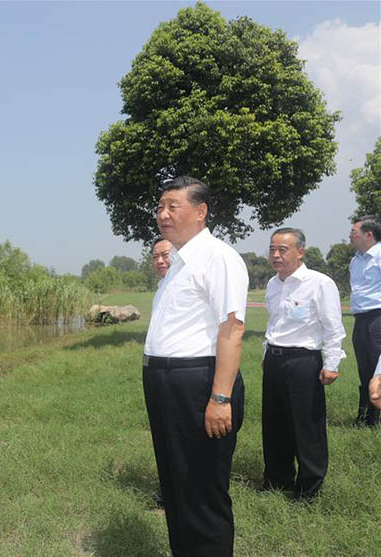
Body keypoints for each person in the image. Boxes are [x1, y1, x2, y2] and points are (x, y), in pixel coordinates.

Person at [143, 176, 248, 557]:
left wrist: (220, 397)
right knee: (176, 482)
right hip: (164, 381)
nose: (163, 214)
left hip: (199, 381)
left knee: (202, 487)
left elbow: (232, 329)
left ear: (201, 212)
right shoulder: (176, 263)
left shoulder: (218, 257)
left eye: (173, 206)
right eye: (160, 207)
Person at [261, 228, 345, 500]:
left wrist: (332, 363)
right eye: (272, 249)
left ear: (300, 251)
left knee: (306, 426)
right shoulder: (273, 284)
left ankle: (309, 488)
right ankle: (277, 480)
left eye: (282, 250)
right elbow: (273, 323)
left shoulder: (319, 283)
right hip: (274, 360)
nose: (275, 255)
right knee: (275, 424)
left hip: (303, 361)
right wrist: (266, 354)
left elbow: (333, 326)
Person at [348, 215, 381, 427]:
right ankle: (365, 417)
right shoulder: (355, 259)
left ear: (369, 235)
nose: (351, 235)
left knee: (378, 368)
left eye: (354, 232)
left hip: (378, 317)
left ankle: (374, 418)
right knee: (364, 368)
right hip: (360, 318)